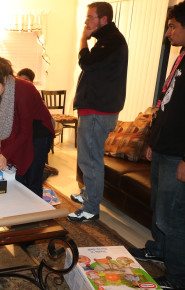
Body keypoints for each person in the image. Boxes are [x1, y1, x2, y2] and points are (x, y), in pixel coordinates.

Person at [128, 1, 185, 290]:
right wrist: (152, 141)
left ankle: (178, 276)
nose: (168, 32)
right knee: (158, 208)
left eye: (173, 26)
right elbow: (165, 104)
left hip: (178, 154)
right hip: (163, 148)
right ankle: (158, 250)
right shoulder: (181, 58)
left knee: (173, 216)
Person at [68, 1, 128, 222]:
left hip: (98, 111)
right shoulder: (107, 40)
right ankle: (88, 195)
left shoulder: (111, 41)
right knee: (89, 157)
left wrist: (82, 39)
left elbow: (87, 63)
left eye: (90, 17)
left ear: (104, 19)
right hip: (95, 109)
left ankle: (91, 208)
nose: (86, 22)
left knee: (90, 160)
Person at [0, 57, 54, 197]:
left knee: (32, 179)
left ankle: (35, 216)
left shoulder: (24, 89)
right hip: (18, 131)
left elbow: (26, 131)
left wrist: (5, 154)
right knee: (17, 177)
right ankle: (19, 212)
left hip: (39, 133)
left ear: (4, 79)